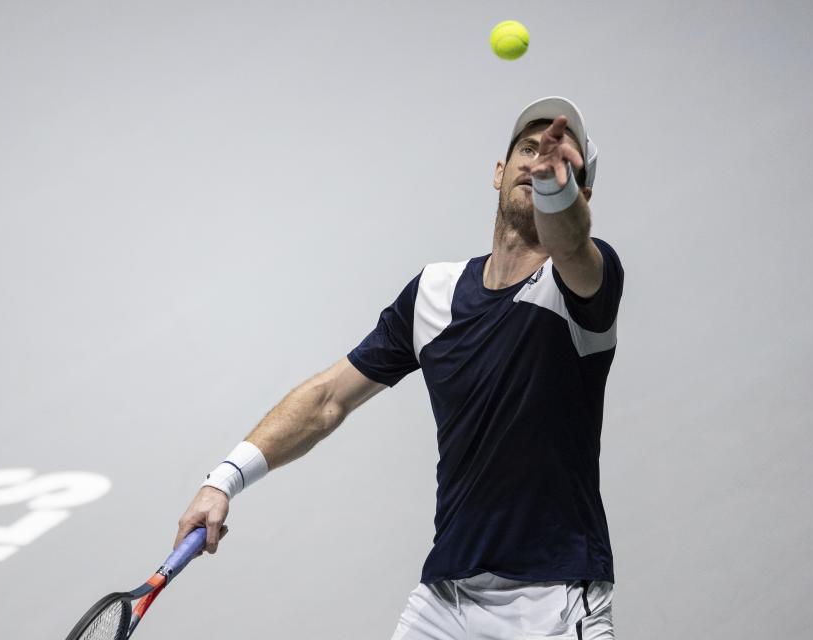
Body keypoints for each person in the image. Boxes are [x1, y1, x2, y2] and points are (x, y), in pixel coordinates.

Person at [175, 96, 623, 639]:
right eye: (527, 150)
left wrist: (557, 191)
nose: (539, 162)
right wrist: (222, 481)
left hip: (556, 598)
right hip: (447, 597)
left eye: (563, 163)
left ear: (581, 193)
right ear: (500, 172)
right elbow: (326, 399)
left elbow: (571, 242)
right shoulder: (432, 293)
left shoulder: (582, 286)